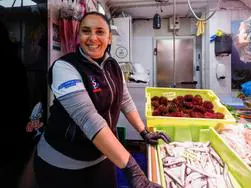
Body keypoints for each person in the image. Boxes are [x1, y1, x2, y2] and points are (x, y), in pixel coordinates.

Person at [33, 12, 170, 188]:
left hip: (102, 155)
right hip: (63, 161)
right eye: (86, 31)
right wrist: (133, 169)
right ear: (78, 35)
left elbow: (124, 101)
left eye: (100, 32)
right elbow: (88, 119)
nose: (92, 38)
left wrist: (143, 132)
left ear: (109, 38)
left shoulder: (113, 66)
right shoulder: (64, 67)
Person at [0, 20, 34, 187]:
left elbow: (22, 96)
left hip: (11, 125)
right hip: (14, 125)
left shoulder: (13, 64)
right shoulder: (15, 63)